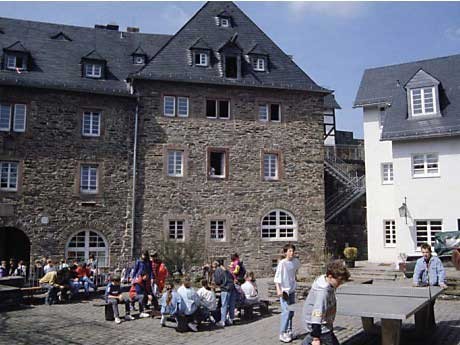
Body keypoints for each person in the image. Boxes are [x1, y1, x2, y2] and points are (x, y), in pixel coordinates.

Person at [302, 260, 350, 345]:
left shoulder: (327, 281)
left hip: (325, 322)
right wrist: (316, 337)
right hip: (319, 325)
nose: (340, 283)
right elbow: (317, 312)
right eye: (339, 281)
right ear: (330, 277)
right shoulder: (322, 292)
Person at [274, 244, 301, 343]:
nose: (291, 253)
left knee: (291, 312)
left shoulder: (295, 262)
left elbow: (295, 271)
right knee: (286, 311)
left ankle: (289, 331)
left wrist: (294, 280)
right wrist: (278, 289)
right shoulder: (282, 263)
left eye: (293, 251)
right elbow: (277, 278)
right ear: (285, 252)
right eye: (289, 251)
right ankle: (282, 333)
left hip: (292, 290)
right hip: (284, 291)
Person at [213, 260, 236, 327]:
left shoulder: (218, 270)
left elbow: (217, 281)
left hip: (225, 289)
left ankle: (222, 321)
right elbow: (232, 277)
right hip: (232, 287)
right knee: (231, 305)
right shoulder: (226, 269)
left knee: (224, 305)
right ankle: (231, 319)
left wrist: (217, 284)